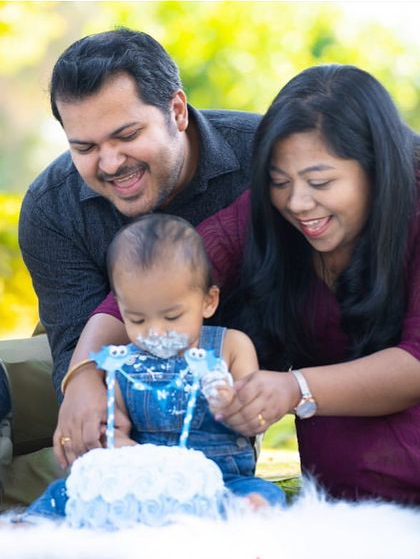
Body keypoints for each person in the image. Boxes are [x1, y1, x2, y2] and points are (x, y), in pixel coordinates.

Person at [75, 63, 420, 505]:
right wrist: (84, 375)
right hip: (338, 503)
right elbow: (162, 271)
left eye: (321, 182)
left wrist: (296, 388)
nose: (296, 202)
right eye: (279, 182)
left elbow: (415, 361)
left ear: (377, 168)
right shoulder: (267, 216)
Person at [0, 25, 261, 501]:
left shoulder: (260, 158)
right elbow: (73, 344)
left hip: (212, 397)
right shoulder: (53, 206)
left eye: (127, 135)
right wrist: (83, 387)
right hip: (100, 358)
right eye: (85, 147)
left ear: (176, 111)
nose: (110, 162)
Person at [25, 214, 285, 520]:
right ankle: (33, 524)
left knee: (265, 494)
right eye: (136, 319)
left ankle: (241, 516)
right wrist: (122, 447)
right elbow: (112, 429)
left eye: (172, 316)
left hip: (221, 477)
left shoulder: (231, 347)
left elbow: (255, 420)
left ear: (208, 301)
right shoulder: (122, 363)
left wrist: (229, 403)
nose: (155, 332)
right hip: (145, 483)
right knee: (67, 491)